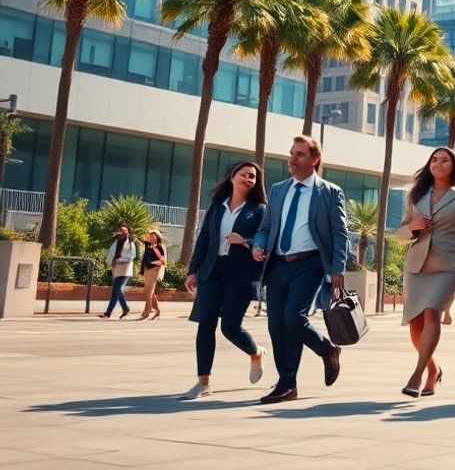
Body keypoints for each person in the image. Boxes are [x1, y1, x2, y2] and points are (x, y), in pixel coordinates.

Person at [250, 135, 349, 404]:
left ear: (314, 159)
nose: (292, 159)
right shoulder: (279, 189)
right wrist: (258, 245)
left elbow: (340, 234)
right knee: (276, 325)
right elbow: (266, 226)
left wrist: (338, 270)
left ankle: (326, 349)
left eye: (300, 155)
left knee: (293, 317)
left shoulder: (329, 192)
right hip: (278, 264)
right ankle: (287, 384)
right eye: (291, 153)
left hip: (311, 263)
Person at [394, 147, 455, 398]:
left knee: (432, 312)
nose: (438, 163)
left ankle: (417, 374)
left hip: (448, 264)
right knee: (416, 324)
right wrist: (413, 226)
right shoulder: (415, 194)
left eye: (444, 160)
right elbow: (399, 234)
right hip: (416, 266)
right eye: (434, 159)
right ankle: (434, 369)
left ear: (453, 166)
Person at [182, 161, 269, 400]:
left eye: (252, 177)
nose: (248, 180)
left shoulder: (259, 209)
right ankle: (203, 383)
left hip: (239, 275)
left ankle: (255, 352)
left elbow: (265, 238)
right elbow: (204, 239)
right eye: (244, 175)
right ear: (232, 177)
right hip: (211, 271)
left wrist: (244, 240)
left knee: (230, 327)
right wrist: (193, 271)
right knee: (206, 325)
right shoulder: (217, 207)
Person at [99, 223, 138, 319]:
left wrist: (119, 260)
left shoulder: (131, 243)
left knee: (117, 289)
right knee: (116, 291)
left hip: (126, 269)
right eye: (121, 230)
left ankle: (108, 313)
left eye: (125, 231)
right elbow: (111, 253)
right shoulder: (116, 242)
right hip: (116, 269)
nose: (123, 232)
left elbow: (131, 257)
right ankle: (125, 309)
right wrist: (111, 262)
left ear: (128, 232)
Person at [139, 229, 167, 320]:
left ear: (157, 236)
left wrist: (152, 263)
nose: (151, 237)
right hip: (147, 270)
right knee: (148, 291)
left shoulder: (159, 247)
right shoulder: (149, 246)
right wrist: (142, 271)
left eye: (153, 236)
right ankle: (157, 310)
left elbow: (162, 261)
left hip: (154, 270)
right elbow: (144, 260)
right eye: (150, 236)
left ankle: (147, 310)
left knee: (149, 291)